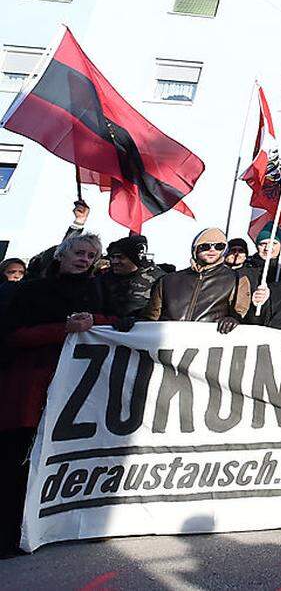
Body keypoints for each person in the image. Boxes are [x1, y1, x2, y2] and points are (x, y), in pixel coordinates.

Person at [0, 234, 111, 553]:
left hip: (72, 396)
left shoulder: (96, 291)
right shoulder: (31, 290)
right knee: (16, 464)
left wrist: (94, 321)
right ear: (61, 256)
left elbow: (119, 323)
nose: (85, 259)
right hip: (29, 393)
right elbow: (13, 336)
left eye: (91, 256)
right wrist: (62, 328)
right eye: (79, 252)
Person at [143, 228, 250, 333]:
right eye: (205, 246)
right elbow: (150, 318)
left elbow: (241, 314)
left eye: (219, 246)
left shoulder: (237, 279)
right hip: (168, 343)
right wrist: (133, 322)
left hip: (206, 345)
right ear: (195, 249)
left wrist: (234, 320)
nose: (212, 250)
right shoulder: (168, 280)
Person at [96, 235, 164, 320]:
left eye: (120, 257)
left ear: (135, 259)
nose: (114, 262)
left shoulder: (160, 280)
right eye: (112, 257)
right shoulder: (103, 279)